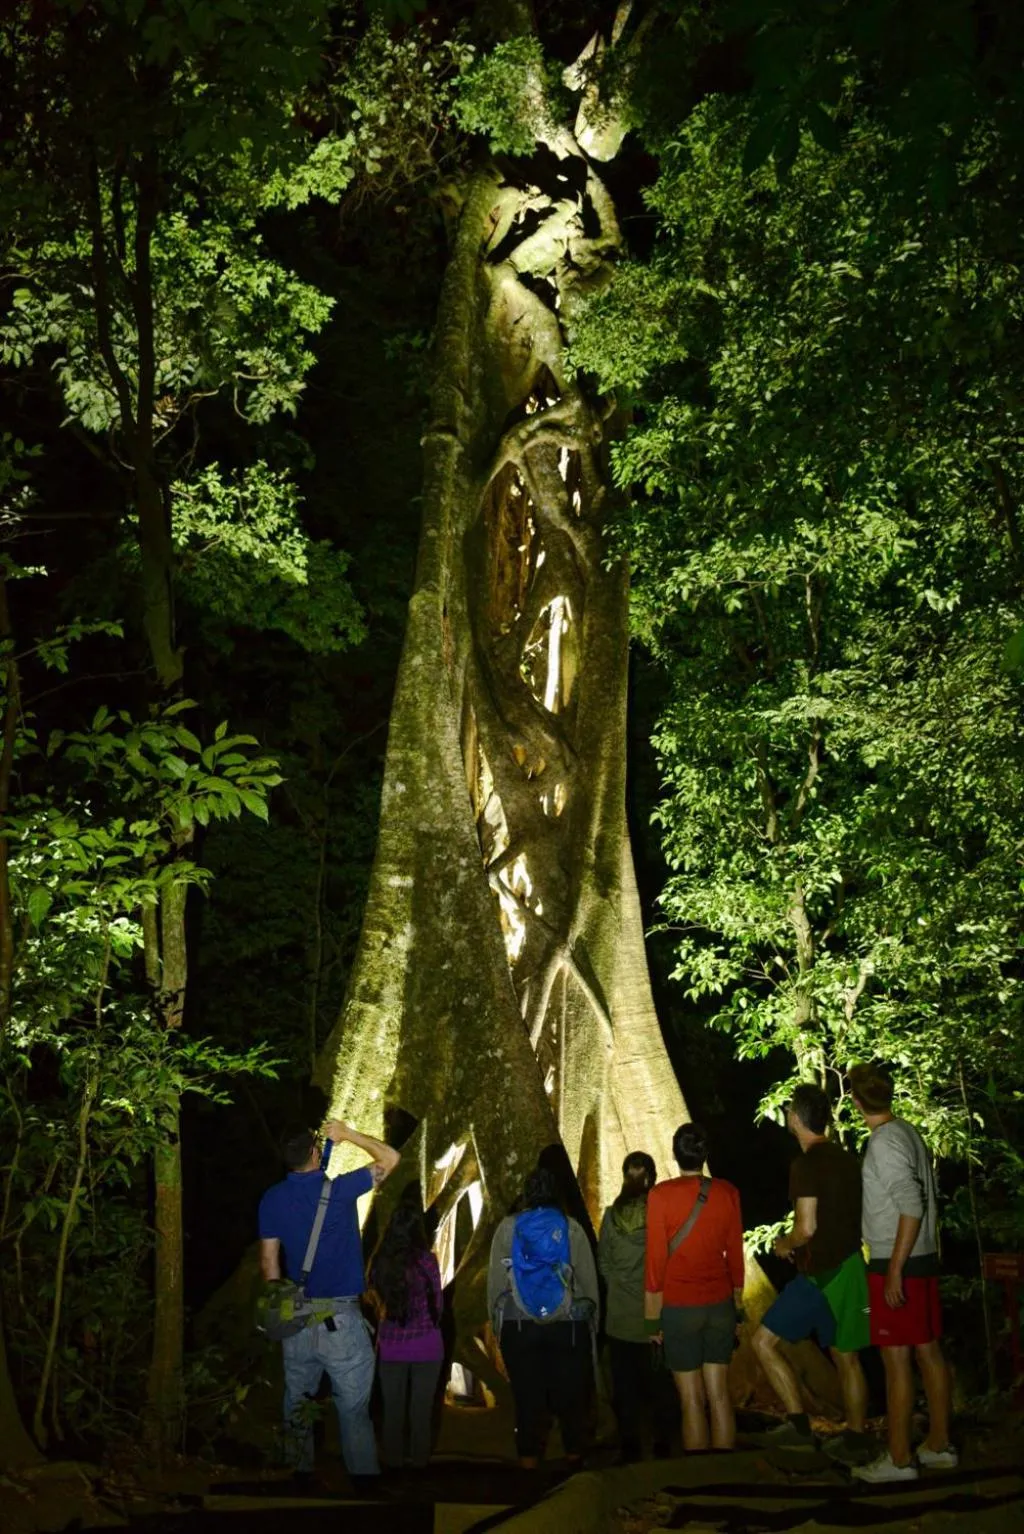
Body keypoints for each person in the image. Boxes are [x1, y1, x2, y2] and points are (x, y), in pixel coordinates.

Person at [258, 1118, 400, 1484]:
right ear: (314, 1152)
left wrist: (279, 1305)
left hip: (297, 1317)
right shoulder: (339, 1190)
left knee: (298, 1402)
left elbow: (269, 1260)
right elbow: (390, 1157)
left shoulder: (272, 1198)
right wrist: (349, 1135)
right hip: (341, 1321)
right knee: (352, 1408)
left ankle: (299, 1475)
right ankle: (364, 1482)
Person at [847, 1064, 956, 1483]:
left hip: (900, 1261)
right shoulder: (907, 1131)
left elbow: (911, 1204)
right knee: (929, 1351)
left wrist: (893, 1270)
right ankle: (938, 1445)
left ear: (856, 1102)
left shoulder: (884, 1143)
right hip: (921, 1258)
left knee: (896, 1361)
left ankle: (899, 1458)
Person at [750, 1084, 869, 1451]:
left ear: (797, 1119)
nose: (787, 1116)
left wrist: (782, 1243)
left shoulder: (805, 1165)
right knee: (847, 1357)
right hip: (849, 1266)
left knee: (763, 1342)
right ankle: (856, 1435)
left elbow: (806, 1228)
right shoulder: (847, 1159)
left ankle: (799, 1426)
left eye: (789, 1111)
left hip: (820, 1276)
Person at [488, 1166, 600, 1469]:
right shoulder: (571, 1227)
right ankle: (574, 1473)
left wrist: (500, 1329)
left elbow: (496, 1285)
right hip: (567, 1326)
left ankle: (529, 1473)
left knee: (527, 1400)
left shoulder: (507, 1228)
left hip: (519, 1326)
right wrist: (592, 1326)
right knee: (571, 1400)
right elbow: (588, 1282)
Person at [644, 1123, 745, 1452]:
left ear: (674, 1155)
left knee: (690, 1399)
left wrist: (651, 1320)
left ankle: (700, 1476)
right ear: (704, 1155)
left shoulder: (660, 1196)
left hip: (679, 1308)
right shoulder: (728, 1193)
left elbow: (655, 1264)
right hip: (719, 1305)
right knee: (718, 1393)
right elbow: (736, 1256)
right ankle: (725, 1467)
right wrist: (737, 1302)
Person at [598, 1151, 678, 1461]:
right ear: (651, 1177)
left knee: (625, 1386)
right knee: (659, 1382)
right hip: (655, 1315)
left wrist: (620, 1284)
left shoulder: (611, 1215)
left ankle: (630, 1445)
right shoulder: (660, 1215)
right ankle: (662, 1443)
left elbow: (603, 1262)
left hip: (620, 1315)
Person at [369, 1202, 444, 1474]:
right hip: (427, 1345)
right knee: (421, 1410)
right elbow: (438, 1302)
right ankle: (419, 1465)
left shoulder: (380, 1262)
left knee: (393, 1409)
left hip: (392, 1345)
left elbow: (374, 1297)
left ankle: (393, 1463)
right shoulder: (427, 1260)